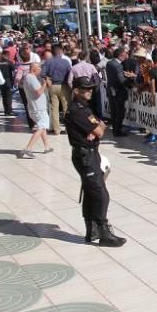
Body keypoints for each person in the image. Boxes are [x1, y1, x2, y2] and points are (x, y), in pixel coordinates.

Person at [65, 76, 125, 248]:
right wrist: (97, 128)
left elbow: (101, 127)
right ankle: (103, 231)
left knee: (92, 192)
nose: (89, 91)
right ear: (76, 91)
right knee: (100, 194)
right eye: (85, 89)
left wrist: (98, 128)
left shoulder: (84, 108)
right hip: (85, 156)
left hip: (90, 153)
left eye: (91, 88)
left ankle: (92, 230)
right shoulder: (78, 110)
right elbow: (99, 130)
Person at [20, 61, 52, 159]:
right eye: (39, 68)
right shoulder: (32, 78)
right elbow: (38, 92)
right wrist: (45, 84)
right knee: (41, 127)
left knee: (43, 127)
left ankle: (47, 147)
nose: (41, 70)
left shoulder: (27, 78)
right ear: (34, 69)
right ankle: (28, 148)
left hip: (34, 107)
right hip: (38, 108)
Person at [105, 47, 129, 136]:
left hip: (111, 90)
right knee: (120, 112)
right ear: (120, 55)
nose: (125, 56)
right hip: (118, 91)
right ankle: (117, 131)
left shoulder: (109, 63)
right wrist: (130, 83)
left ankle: (115, 129)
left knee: (114, 111)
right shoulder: (118, 65)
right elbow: (121, 80)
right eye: (124, 54)